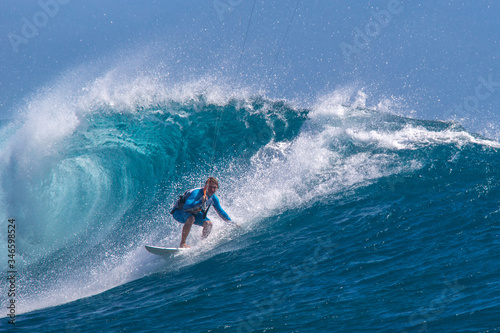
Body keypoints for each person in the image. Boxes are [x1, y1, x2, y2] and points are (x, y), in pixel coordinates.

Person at [171, 177, 232, 248]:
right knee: (191, 218)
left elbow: (221, 212)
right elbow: (186, 206)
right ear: (206, 187)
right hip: (179, 212)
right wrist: (200, 201)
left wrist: (231, 223)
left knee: (208, 224)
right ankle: (183, 243)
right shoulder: (196, 193)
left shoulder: (213, 198)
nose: (212, 190)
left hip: (193, 213)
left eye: (214, 188)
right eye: (210, 187)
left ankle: (201, 243)